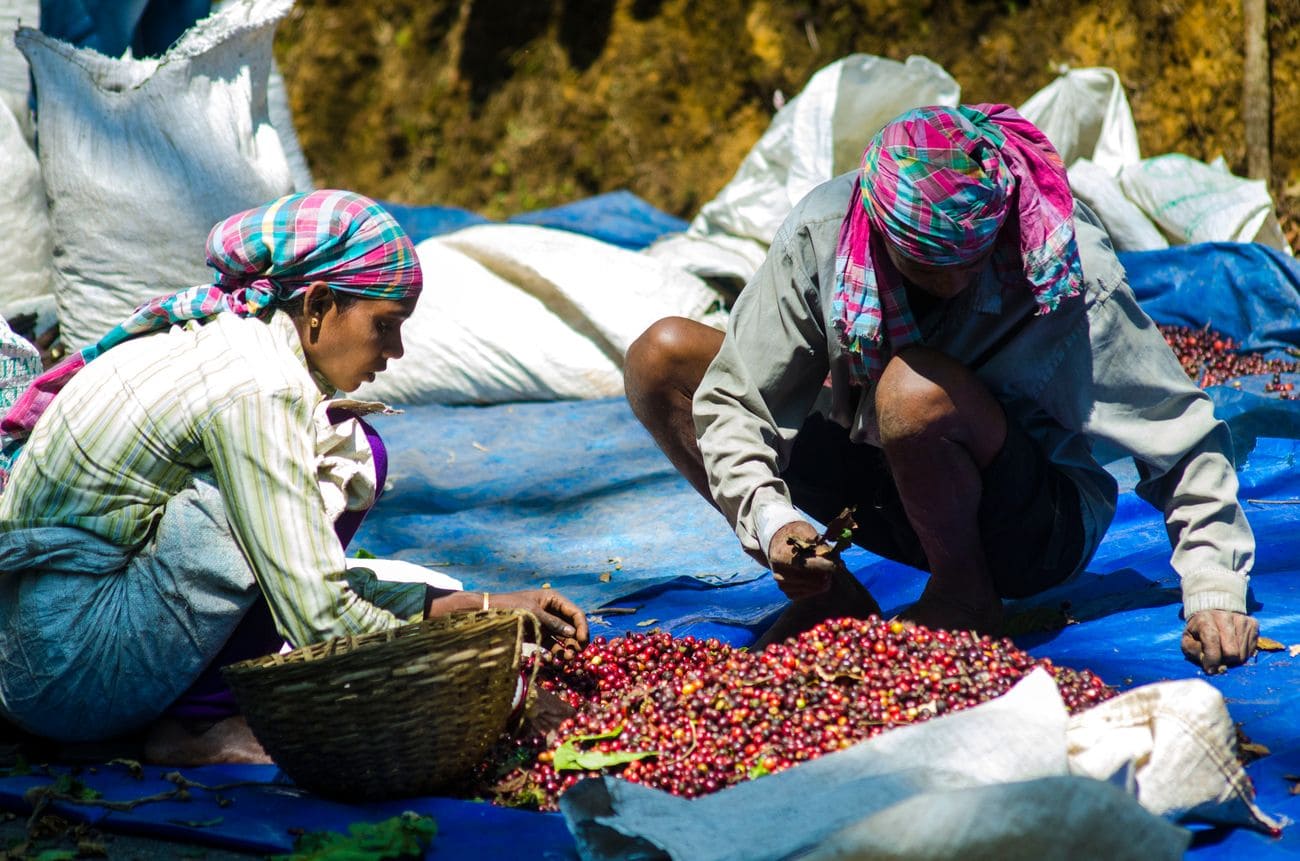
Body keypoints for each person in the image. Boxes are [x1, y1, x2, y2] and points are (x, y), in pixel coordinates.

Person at [625, 104, 1257, 673]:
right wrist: (772, 520)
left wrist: (1214, 589)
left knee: (912, 388)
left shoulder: (1060, 260)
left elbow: (1178, 436)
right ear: (876, 228)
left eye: (971, 263)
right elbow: (738, 400)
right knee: (663, 362)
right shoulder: (825, 233)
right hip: (887, 481)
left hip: (1029, 526)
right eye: (926, 267)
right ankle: (832, 596)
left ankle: (965, 596)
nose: (951, 282)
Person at [0, 190, 588, 763]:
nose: (397, 351)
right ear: (317, 306)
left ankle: (194, 703)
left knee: (322, 460)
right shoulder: (261, 391)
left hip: (36, 650)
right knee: (340, 454)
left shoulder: (231, 339)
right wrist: (496, 696)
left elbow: (291, 570)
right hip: (69, 677)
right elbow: (317, 613)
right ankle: (199, 723)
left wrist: (467, 605)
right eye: (385, 325)